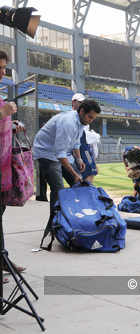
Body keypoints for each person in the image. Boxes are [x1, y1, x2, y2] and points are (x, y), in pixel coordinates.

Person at [33, 99, 101, 226]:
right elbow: (60, 154)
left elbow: (76, 143)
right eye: (89, 117)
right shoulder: (68, 122)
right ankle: (55, 226)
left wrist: (79, 158)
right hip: (46, 153)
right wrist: (74, 173)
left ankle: (78, 218)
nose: (91, 120)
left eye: (93, 118)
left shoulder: (81, 122)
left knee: (80, 184)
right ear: (81, 111)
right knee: (59, 190)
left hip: (61, 153)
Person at [0, 50, 26, 283]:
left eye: (3, 68)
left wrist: (12, 122)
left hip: (3, 170)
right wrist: (3, 114)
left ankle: (2, 260)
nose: (2, 73)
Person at [69, 93, 100, 184]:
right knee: (88, 171)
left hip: (83, 148)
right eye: (80, 102)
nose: (82, 104)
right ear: (73, 102)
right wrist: (95, 136)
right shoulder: (72, 118)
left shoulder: (83, 118)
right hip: (79, 148)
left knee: (90, 170)